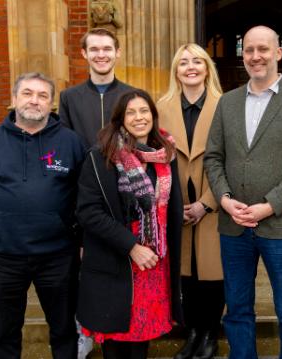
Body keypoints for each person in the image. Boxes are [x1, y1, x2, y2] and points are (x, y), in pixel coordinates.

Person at [203, 25, 282, 359]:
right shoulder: (227, 103)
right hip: (234, 226)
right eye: (249, 50)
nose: (256, 56)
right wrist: (225, 200)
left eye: (263, 49)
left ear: (278, 52)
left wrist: (268, 206)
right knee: (238, 309)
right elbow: (214, 157)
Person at [0, 72, 86, 359]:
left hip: (59, 256)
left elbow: (85, 198)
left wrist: (83, 242)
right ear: (14, 98)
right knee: (4, 332)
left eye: (43, 96)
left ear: (51, 104)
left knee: (64, 330)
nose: (34, 100)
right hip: (3, 255)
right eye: (27, 93)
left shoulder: (71, 142)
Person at [75, 88, 184, 359]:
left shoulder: (165, 156)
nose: (138, 117)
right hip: (117, 256)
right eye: (131, 112)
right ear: (120, 119)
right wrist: (131, 246)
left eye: (144, 111)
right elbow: (89, 212)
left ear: (153, 115)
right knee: (115, 334)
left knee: (142, 335)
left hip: (154, 259)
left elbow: (170, 209)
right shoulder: (101, 157)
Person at [158, 43, 224, 359]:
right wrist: (173, 204)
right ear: (176, 70)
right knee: (185, 276)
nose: (190, 67)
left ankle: (210, 333)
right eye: (183, 62)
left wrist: (206, 203)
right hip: (175, 204)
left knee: (211, 275)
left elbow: (234, 160)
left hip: (214, 204)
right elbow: (153, 160)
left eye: (197, 61)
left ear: (207, 68)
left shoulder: (225, 106)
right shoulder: (161, 107)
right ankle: (193, 332)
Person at [60, 27, 134, 149]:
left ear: (117, 52)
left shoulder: (133, 95)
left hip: (125, 167)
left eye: (107, 49)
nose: (101, 55)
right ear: (84, 53)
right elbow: (64, 142)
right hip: (82, 167)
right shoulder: (68, 97)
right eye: (94, 49)